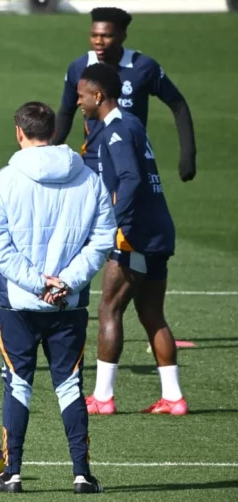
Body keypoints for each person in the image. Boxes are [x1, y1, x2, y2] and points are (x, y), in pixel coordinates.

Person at [0, 101, 114, 494]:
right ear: (54, 133)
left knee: (18, 384)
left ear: (19, 132)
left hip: (18, 304)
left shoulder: (4, 181)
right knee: (70, 386)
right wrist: (67, 282)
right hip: (68, 304)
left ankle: (13, 474)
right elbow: (103, 238)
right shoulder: (88, 179)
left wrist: (36, 283)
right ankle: (82, 475)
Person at [76, 64, 187, 416]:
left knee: (109, 308)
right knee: (152, 312)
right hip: (158, 229)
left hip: (133, 235)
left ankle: (103, 397)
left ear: (97, 95)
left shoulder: (116, 132)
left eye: (81, 96)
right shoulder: (132, 123)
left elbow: (131, 178)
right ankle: (173, 398)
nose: (78, 102)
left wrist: (111, 223)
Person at [53, 7, 195, 183]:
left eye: (106, 36)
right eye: (94, 35)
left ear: (123, 35)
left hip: (133, 159)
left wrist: (188, 155)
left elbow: (178, 105)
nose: (98, 41)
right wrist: (47, 152)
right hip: (93, 161)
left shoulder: (143, 67)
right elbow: (66, 112)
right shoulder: (79, 67)